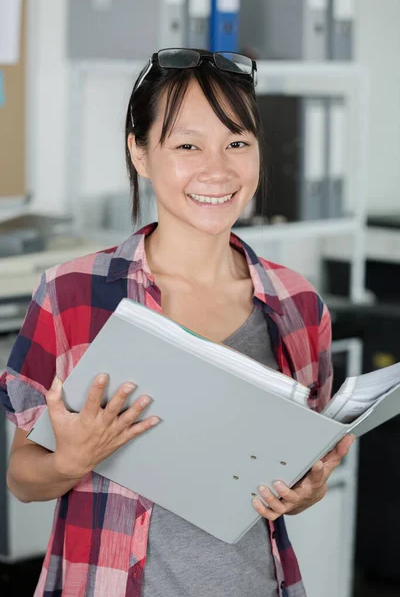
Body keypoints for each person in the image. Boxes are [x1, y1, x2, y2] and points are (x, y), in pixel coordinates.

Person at [0, 49, 354, 597]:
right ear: (139, 153)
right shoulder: (73, 295)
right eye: (187, 145)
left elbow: (296, 467)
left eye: (237, 143)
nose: (217, 170)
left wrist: (307, 490)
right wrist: (71, 461)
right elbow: (22, 476)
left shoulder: (298, 304)